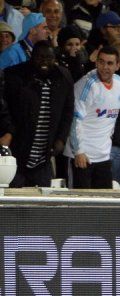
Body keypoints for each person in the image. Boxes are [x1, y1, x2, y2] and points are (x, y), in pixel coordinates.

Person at [0, 41, 74, 187]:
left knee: (41, 204)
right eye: (40, 57)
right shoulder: (14, 76)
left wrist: (61, 138)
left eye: (49, 58)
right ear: (31, 57)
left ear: (55, 59)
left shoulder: (63, 78)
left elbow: (68, 110)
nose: (44, 62)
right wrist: (8, 130)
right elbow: (3, 107)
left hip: (43, 158)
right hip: (16, 153)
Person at [64, 46, 120, 189]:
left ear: (118, 65)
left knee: (104, 205)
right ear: (96, 62)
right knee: (81, 206)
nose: (105, 67)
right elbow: (75, 119)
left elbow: (112, 118)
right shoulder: (87, 85)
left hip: (103, 156)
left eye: (110, 63)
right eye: (101, 62)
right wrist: (78, 151)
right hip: (81, 156)